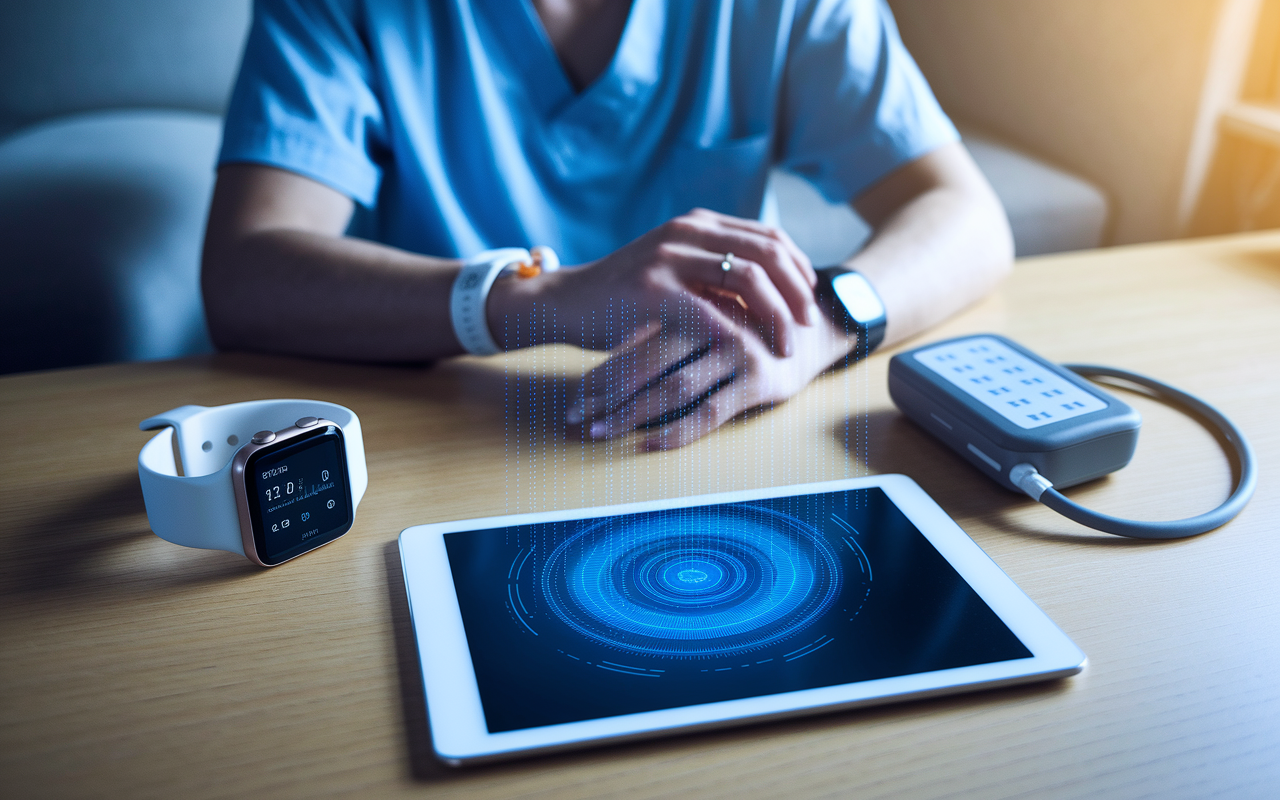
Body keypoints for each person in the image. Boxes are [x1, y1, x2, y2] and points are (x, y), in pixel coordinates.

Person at [202, 0, 1013, 450]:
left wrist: (826, 324)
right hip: (434, 433)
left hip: (727, 431)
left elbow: (967, 217)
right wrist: (538, 300)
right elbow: (246, 277)